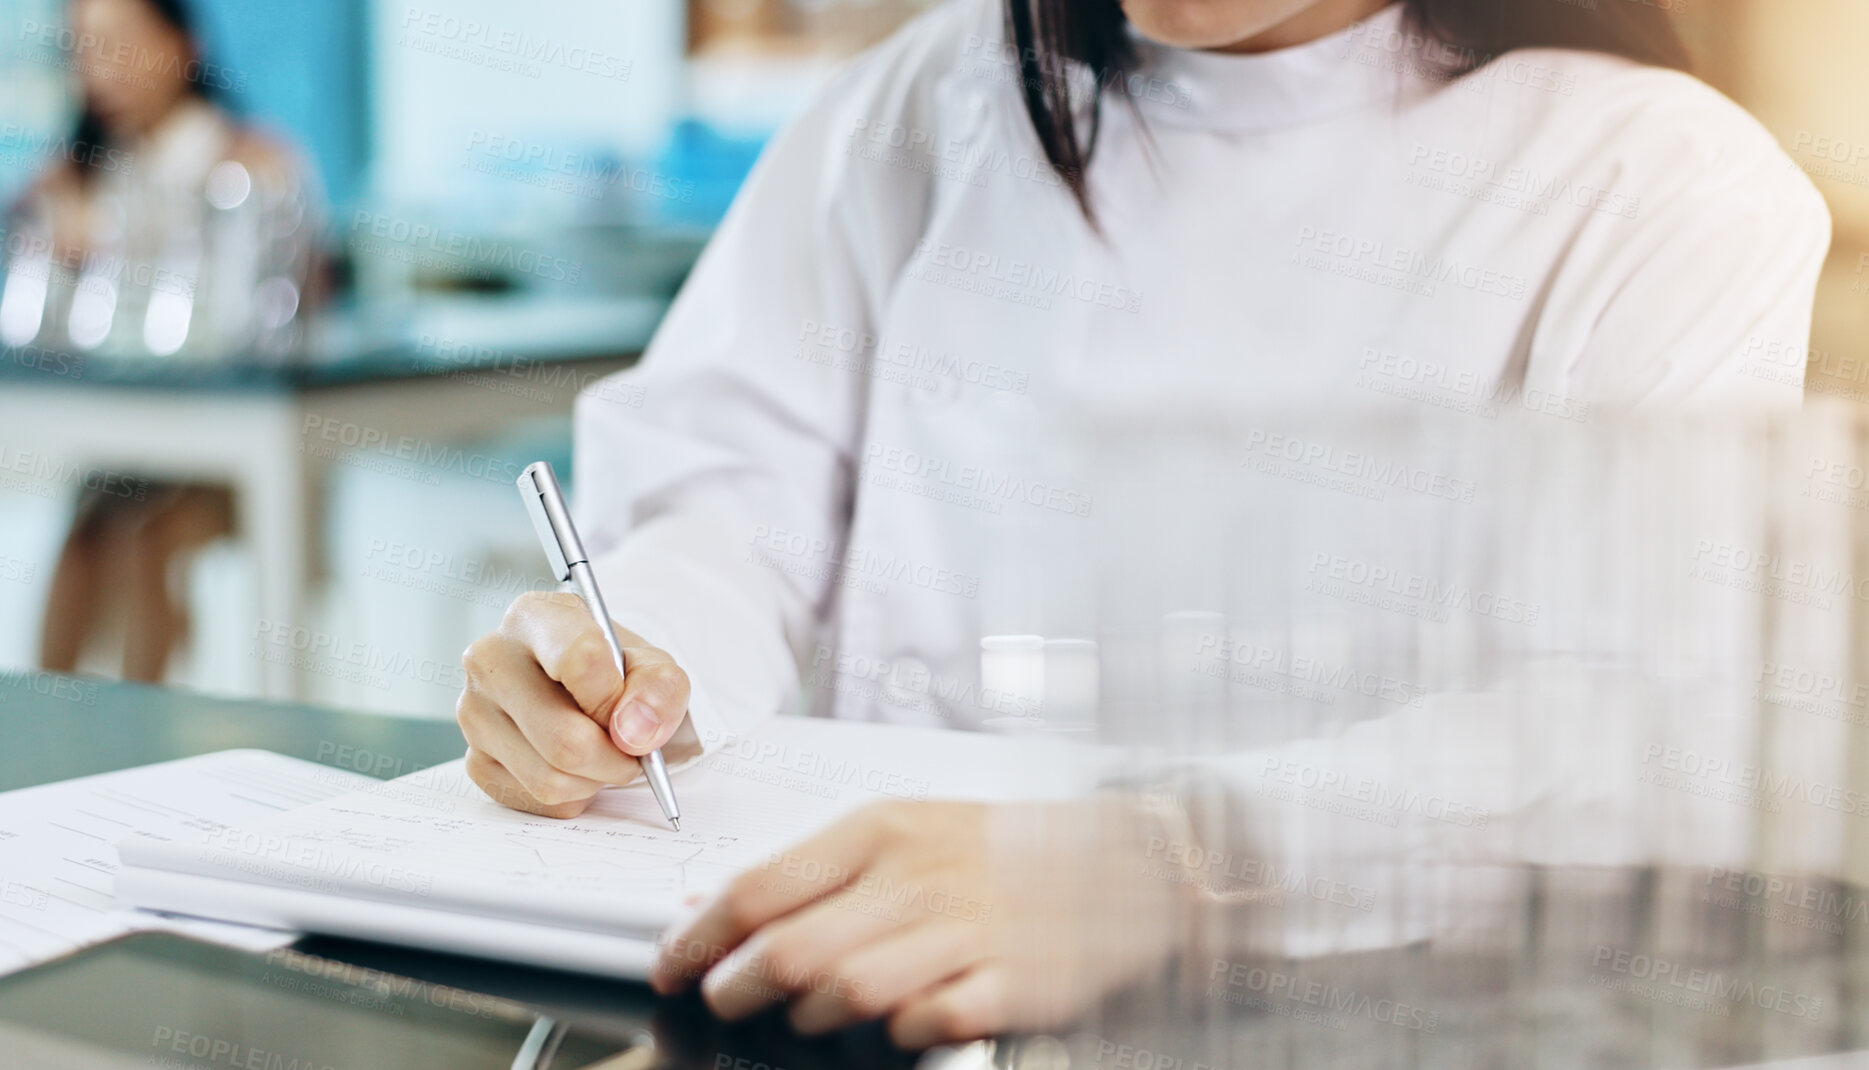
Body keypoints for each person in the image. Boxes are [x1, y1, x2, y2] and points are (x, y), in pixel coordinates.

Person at [453, 0, 1831, 1047]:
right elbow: (728, 498)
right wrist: (625, 657)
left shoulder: (1665, 183)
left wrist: (1160, 863)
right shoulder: (929, 102)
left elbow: (1638, 724)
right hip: (879, 1004)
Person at [3, 0, 316, 681]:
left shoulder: (253, 164)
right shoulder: (84, 174)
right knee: (84, 536)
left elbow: (286, 307)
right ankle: (43, 725)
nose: (101, 70)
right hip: (137, 445)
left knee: (140, 538)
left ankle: (142, 733)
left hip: (236, 441)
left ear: (184, 43)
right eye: (84, 49)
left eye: (120, 44)